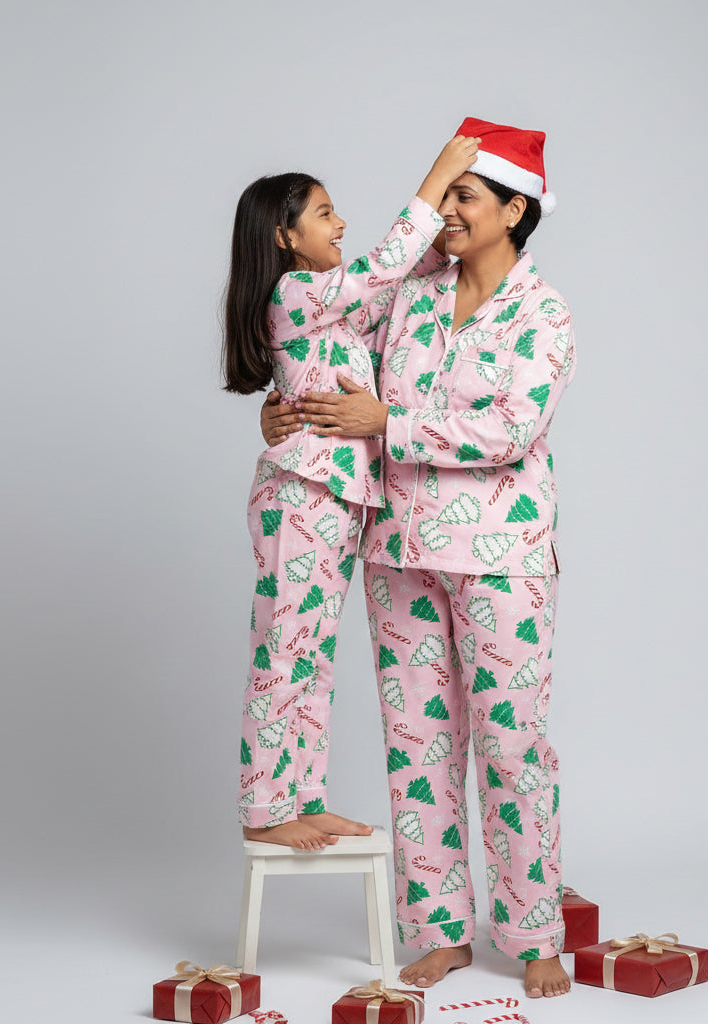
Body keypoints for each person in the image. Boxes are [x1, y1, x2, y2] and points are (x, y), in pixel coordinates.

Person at [261, 119, 576, 997]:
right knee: (417, 744)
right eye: (444, 197)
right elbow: (309, 330)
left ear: (516, 209)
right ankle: (439, 928)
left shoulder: (542, 312)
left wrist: (387, 425)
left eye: (463, 198)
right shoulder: (409, 292)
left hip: (502, 552)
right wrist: (276, 411)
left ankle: (532, 930)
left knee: (513, 748)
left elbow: (514, 430)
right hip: (398, 545)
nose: (445, 214)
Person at [222, 135, 479, 850]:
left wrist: (446, 230)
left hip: (334, 500)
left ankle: (301, 798)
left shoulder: (332, 309)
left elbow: (403, 277)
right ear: (285, 236)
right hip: (302, 494)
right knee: (285, 646)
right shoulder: (295, 291)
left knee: (311, 655)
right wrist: (438, 176)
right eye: (326, 214)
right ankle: (264, 808)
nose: (340, 225)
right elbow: (383, 265)